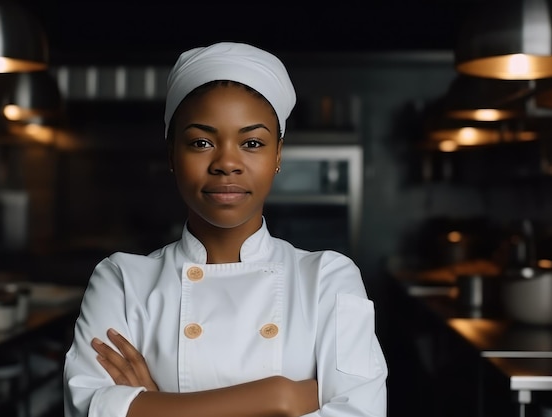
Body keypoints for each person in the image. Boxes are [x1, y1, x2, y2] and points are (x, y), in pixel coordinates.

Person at [63, 41, 388, 417]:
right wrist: (277, 397)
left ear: (278, 155)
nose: (227, 163)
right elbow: (88, 409)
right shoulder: (121, 281)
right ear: (172, 154)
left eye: (252, 142)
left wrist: (154, 406)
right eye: (201, 142)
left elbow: (361, 412)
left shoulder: (329, 278)